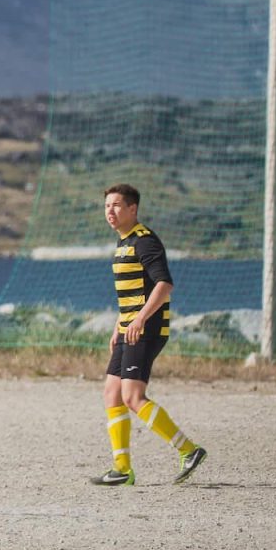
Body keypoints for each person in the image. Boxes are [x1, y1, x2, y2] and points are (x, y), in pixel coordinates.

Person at [89, 183, 207, 487]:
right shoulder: (122, 243)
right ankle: (123, 469)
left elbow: (163, 285)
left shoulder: (145, 241)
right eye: (106, 206)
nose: (110, 212)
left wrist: (140, 319)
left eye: (117, 206)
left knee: (132, 397)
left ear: (133, 209)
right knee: (111, 394)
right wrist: (120, 323)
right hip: (129, 328)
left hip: (147, 329)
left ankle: (188, 449)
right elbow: (134, 292)